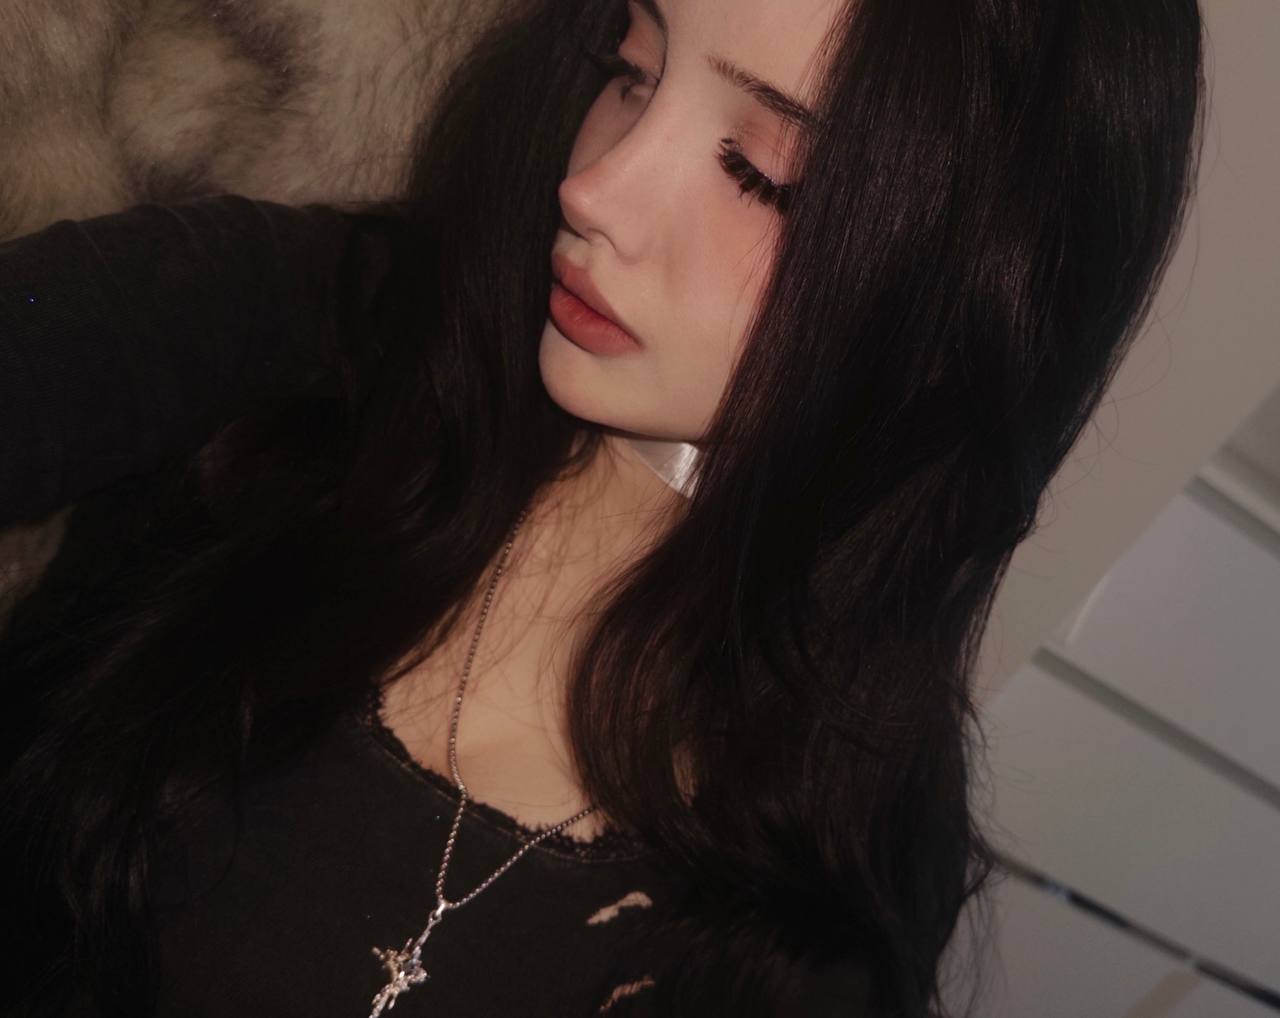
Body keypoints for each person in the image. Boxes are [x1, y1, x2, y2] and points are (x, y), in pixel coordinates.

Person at [0, 0, 1206, 1015]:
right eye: (632, 71)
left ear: (965, 304)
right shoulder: (320, 327)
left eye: (759, 172)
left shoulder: (815, 902)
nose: (594, 189)